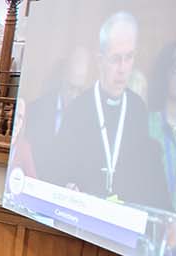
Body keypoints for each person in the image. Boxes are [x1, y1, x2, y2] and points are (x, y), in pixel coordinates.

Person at [47, 11, 164, 206]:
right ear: (100, 59)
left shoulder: (137, 108)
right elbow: (58, 166)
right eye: (115, 58)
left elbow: (143, 172)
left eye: (129, 57)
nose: (123, 68)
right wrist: (68, 184)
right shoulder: (79, 108)